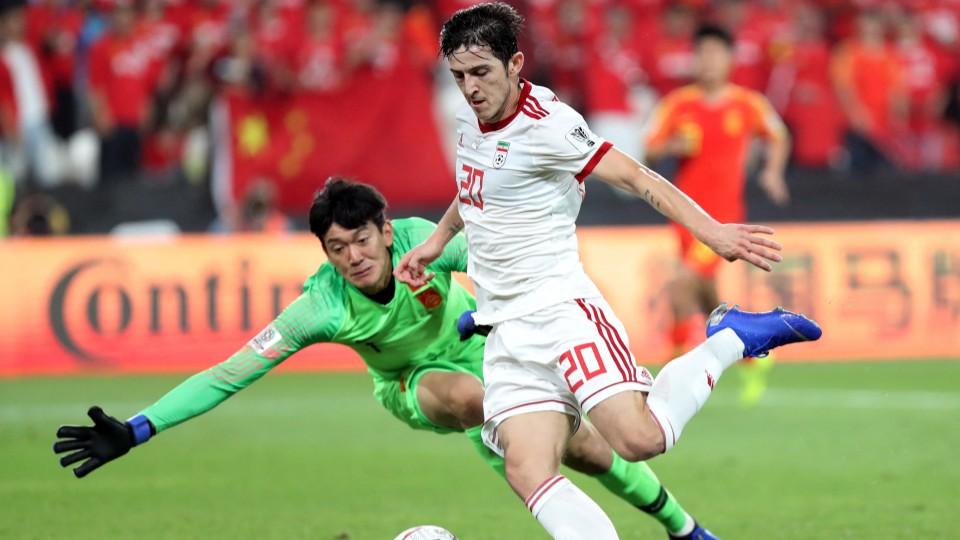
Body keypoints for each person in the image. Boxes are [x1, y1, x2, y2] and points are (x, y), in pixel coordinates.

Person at [55, 178, 713, 539]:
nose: (353, 257)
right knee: (471, 400)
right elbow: (230, 373)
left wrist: (490, 312)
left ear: (385, 228)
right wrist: (140, 428)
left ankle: (686, 532)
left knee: (595, 453)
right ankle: (521, 430)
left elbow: (515, 271)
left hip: (487, 355)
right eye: (336, 248)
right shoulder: (322, 308)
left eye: (361, 240)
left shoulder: (425, 242)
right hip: (412, 384)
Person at [394, 4, 820, 539]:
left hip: (561, 314)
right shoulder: (470, 121)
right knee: (526, 468)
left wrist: (711, 231)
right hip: (505, 330)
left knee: (639, 441)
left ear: (516, 63)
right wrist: (437, 240)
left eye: (481, 72)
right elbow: (475, 189)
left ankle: (728, 339)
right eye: (459, 76)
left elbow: (639, 177)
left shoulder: (550, 126)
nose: (470, 87)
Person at [644, 24, 791, 406]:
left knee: (680, 286)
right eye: (702, 53)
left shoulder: (747, 103)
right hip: (683, 218)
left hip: (723, 221)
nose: (708, 61)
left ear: (729, 59)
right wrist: (673, 144)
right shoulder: (678, 104)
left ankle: (668, 382)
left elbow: (779, 135)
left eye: (716, 53)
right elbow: (648, 152)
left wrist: (772, 171)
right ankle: (750, 355)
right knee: (707, 297)